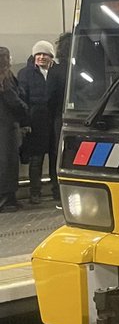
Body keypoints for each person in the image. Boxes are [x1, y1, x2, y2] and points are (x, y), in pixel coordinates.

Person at [18, 40, 56, 204]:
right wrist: (25, 122)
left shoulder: (57, 73)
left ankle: (57, 191)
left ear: (51, 57)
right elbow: (22, 98)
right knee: (36, 159)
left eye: (44, 54)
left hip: (53, 122)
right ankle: (35, 193)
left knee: (55, 158)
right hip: (35, 122)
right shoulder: (25, 74)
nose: (41, 57)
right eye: (38, 54)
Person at [0, 47, 27, 212]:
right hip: (7, 128)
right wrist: (25, 110)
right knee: (8, 164)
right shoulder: (5, 79)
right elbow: (14, 102)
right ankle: (7, 199)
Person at [45, 32, 70, 201]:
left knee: (58, 154)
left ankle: (57, 190)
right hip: (83, 116)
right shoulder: (82, 68)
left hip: (59, 118)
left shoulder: (56, 71)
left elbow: (49, 97)